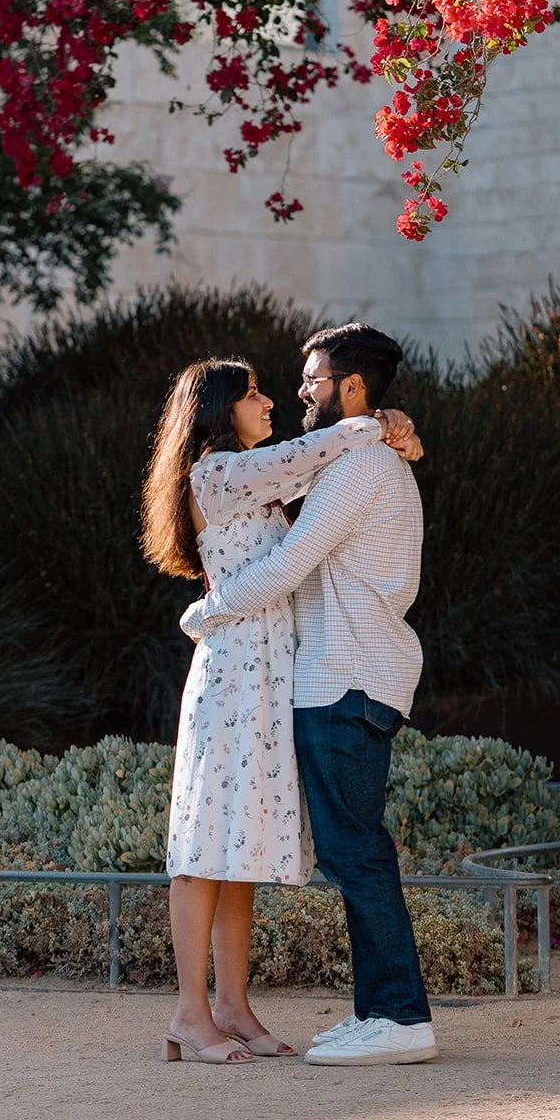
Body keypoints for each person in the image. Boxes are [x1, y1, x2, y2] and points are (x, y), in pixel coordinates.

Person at [141, 355, 419, 1066]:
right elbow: (312, 452)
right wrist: (373, 424)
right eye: (254, 393)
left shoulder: (254, 477)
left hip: (268, 676)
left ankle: (232, 1007)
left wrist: (387, 423)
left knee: (239, 847)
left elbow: (315, 466)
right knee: (204, 845)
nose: (269, 402)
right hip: (232, 675)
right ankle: (189, 1013)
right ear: (217, 409)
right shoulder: (217, 473)